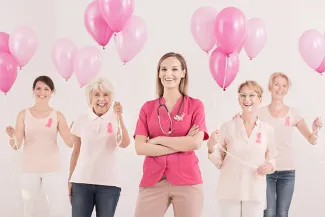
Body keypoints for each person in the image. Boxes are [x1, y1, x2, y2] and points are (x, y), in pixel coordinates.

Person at [233, 72, 323, 217]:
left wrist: (315, 129)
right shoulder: (259, 113)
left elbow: (312, 140)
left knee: (282, 213)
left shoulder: (294, 113)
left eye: (284, 86)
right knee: (268, 212)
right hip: (265, 170)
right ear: (270, 86)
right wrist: (238, 119)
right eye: (276, 84)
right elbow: (242, 128)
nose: (280, 88)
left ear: (287, 89)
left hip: (287, 172)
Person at [133, 52, 209, 217]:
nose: (168, 74)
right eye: (164, 69)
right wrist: (182, 144)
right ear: (158, 73)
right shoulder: (148, 108)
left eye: (174, 69)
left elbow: (195, 143)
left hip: (188, 180)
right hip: (153, 180)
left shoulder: (195, 106)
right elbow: (139, 147)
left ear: (183, 73)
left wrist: (158, 140)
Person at [5, 75, 73, 217]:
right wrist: (12, 136)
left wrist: (75, 131)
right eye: (39, 88)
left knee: (57, 211)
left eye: (46, 89)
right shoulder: (23, 114)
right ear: (33, 90)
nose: (42, 92)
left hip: (52, 169)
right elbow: (17, 145)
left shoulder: (58, 116)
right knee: (28, 211)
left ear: (52, 92)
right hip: (29, 169)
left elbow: (70, 141)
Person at [208, 80, 277, 217]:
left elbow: (272, 159)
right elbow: (219, 161)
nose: (247, 99)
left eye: (252, 95)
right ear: (239, 99)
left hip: (254, 190)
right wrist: (210, 146)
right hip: (229, 191)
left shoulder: (267, 130)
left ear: (260, 99)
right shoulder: (228, 127)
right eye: (243, 95)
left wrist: (268, 167)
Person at [68, 76, 130, 217]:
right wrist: (70, 180)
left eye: (106, 95)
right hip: (81, 182)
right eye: (96, 95)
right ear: (90, 98)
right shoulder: (81, 119)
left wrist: (119, 117)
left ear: (111, 98)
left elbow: (125, 143)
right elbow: (76, 151)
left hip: (109, 185)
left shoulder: (116, 118)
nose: (101, 99)